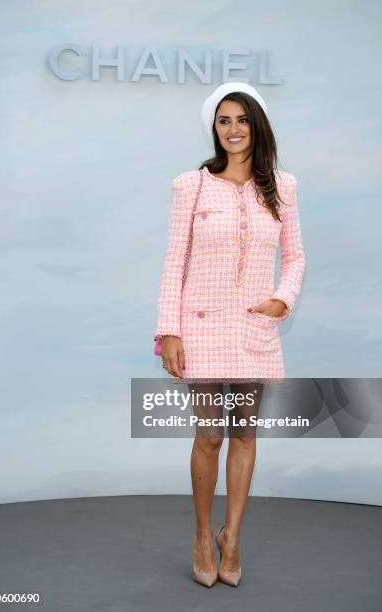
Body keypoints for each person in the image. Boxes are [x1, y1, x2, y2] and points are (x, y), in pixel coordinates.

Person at [154, 82, 306, 587]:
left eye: (242, 119)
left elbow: (296, 255)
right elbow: (174, 262)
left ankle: (232, 536)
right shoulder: (191, 186)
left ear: (256, 125)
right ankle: (201, 534)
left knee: (244, 432)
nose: (233, 129)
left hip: (254, 326)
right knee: (209, 434)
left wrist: (282, 299)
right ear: (214, 129)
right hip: (200, 327)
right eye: (224, 120)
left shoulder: (281, 186)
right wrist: (168, 331)